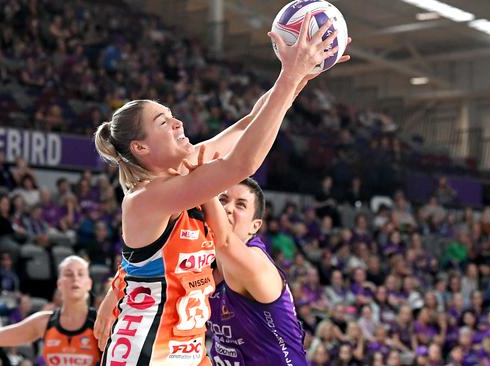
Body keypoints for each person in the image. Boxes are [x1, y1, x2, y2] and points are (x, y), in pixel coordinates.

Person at [93, 14, 347, 365]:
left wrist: (302, 71)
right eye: (163, 122)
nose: (179, 122)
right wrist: (290, 76)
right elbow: (241, 165)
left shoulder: (188, 166)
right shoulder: (147, 198)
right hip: (148, 352)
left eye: (172, 114)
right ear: (141, 148)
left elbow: (247, 125)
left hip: (190, 351)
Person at [202, 178, 308, 365]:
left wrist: (201, 182)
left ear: (255, 226)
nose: (227, 208)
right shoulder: (205, 264)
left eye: (240, 205)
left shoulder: (256, 263)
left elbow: (224, 240)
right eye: (223, 200)